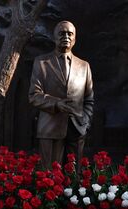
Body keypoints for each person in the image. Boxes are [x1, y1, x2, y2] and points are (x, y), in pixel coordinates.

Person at [29, 20, 94, 169]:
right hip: (50, 130)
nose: (66, 36)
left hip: (77, 130)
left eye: (70, 34)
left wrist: (85, 121)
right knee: (50, 180)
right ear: (54, 37)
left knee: (74, 180)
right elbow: (34, 95)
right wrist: (56, 103)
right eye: (62, 33)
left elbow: (89, 99)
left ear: (75, 39)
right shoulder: (41, 63)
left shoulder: (84, 66)